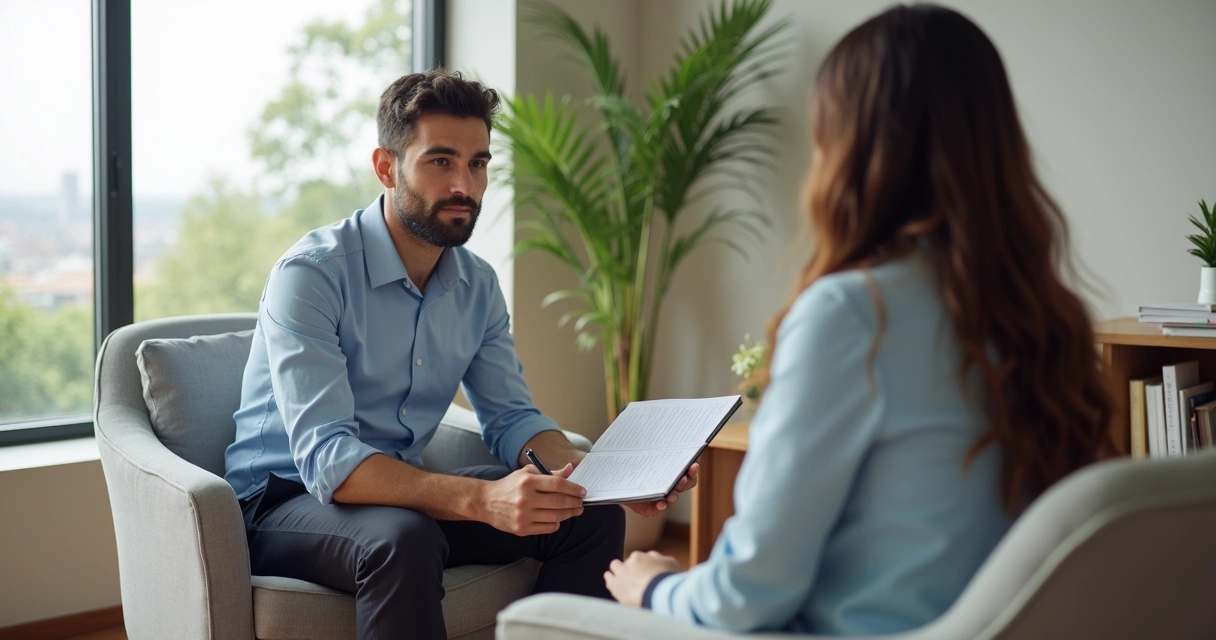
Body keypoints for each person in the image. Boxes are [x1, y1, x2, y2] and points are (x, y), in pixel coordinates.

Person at [604, 4, 1117, 635]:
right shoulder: (1039, 314)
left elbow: (749, 593)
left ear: (850, 150)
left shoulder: (852, 313)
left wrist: (655, 586)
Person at [223, 69, 696, 640]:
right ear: (386, 166)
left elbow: (512, 419)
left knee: (588, 517)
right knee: (403, 537)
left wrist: (599, 480)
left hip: (400, 490)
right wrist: (481, 499)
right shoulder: (312, 275)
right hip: (281, 501)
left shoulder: (477, 284)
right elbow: (330, 461)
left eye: (477, 164)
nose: (464, 186)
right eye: (440, 161)